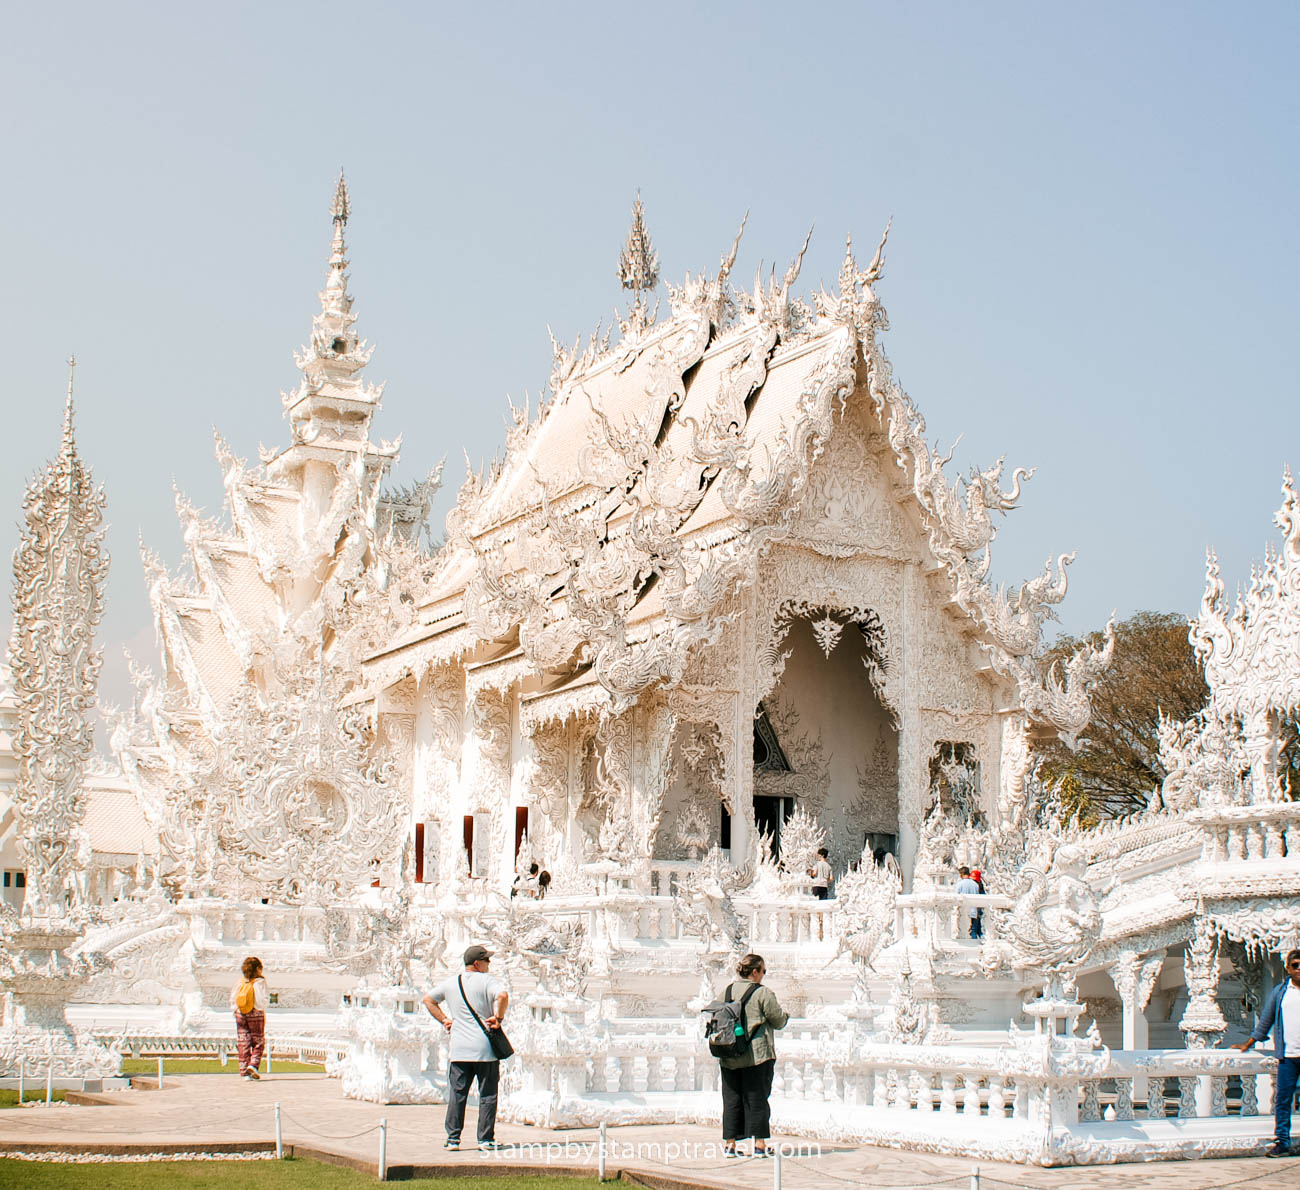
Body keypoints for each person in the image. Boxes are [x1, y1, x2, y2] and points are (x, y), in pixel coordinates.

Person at [423, 944, 510, 1151]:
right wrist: (498, 1018)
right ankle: (485, 1139)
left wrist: (445, 1020)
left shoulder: (452, 982)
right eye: (487, 960)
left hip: (460, 1049)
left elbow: (428, 1000)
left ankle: (453, 1138)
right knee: (487, 1095)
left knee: (457, 1094)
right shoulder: (487, 981)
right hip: (485, 1050)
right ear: (477, 963)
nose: (489, 964)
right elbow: (503, 996)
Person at [718, 953, 788, 1159]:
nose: (764, 975)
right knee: (756, 1098)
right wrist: (786, 1017)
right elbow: (777, 1020)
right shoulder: (762, 993)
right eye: (763, 971)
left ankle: (730, 1145)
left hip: (729, 1053)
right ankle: (759, 1145)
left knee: (731, 1099)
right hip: (756, 1055)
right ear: (755, 972)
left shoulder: (727, 991)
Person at [1233, 947, 1300, 1158]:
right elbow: (1266, 1020)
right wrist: (1248, 1043)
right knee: (1283, 1099)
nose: (1299, 969)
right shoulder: (1281, 992)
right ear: (1288, 968)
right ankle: (1282, 1141)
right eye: (1295, 965)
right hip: (1288, 1056)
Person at [230, 955, 269, 1080]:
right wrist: (260, 1008)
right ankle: (253, 1065)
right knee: (258, 1041)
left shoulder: (241, 981)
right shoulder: (259, 982)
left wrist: (236, 1010)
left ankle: (244, 1071)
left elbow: (233, 998)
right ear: (258, 968)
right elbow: (262, 1000)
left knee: (243, 1041)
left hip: (240, 1013)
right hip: (255, 1013)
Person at [955, 866, 980, 939]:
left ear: (961, 874)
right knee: (973, 931)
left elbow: (956, 896)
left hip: (964, 912)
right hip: (974, 911)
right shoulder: (975, 884)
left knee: (963, 932)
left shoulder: (960, 884)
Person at [970, 868, 986, 940]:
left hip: (973, 908)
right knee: (978, 927)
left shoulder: (973, 885)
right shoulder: (980, 885)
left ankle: (974, 940)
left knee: (973, 928)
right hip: (978, 908)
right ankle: (982, 939)